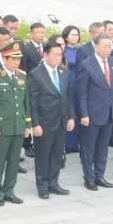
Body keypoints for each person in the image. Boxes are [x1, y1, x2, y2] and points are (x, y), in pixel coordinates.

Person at [0, 41, 31, 206]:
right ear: (5, 59)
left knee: (13, 162)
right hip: (2, 128)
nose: (17, 62)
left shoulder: (22, 76)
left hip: (18, 126)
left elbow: (26, 103)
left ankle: (9, 190)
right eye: (13, 59)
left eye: (18, 59)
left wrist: (27, 125)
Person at [28, 41, 75, 199]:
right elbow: (32, 102)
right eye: (55, 55)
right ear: (45, 55)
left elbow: (68, 96)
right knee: (43, 155)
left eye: (60, 55)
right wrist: (35, 124)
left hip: (61, 120)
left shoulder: (63, 71)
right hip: (44, 122)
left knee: (56, 155)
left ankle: (54, 183)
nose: (58, 58)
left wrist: (70, 117)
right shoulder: (36, 74)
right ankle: (42, 185)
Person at [77, 35, 113, 190]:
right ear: (95, 47)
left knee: (103, 147)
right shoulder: (86, 64)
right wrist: (84, 114)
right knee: (89, 147)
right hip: (92, 113)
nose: (108, 49)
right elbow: (81, 92)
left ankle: (99, 175)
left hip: (109, 112)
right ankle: (88, 177)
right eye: (105, 46)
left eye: (110, 46)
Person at [61, 25, 82, 154]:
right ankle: (66, 143)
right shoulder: (63, 51)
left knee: (77, 111)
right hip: (67, 82)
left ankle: (75, 143)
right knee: (68, 111)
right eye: (72, 34)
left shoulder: (81, 50)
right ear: (66, 36)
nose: (75, 37)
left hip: (79, 84)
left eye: (76, 34)